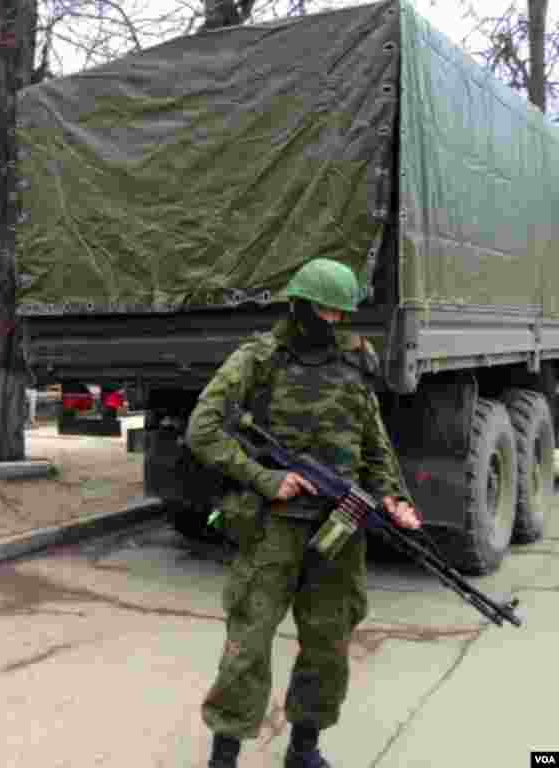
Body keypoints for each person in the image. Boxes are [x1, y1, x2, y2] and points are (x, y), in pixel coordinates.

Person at [185, 258, 421, 768]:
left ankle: (304, 748)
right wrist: (268, 479)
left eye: (340, 314)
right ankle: (223, 755)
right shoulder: (258, 359)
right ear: (297, 305)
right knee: (248, 645)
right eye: (323, 311)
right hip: (272, 528)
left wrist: (394, 497)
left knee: (328, 646)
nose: (332, 323)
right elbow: (202, 430)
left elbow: (374, 446)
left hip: (340, 530)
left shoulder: (357, 363)